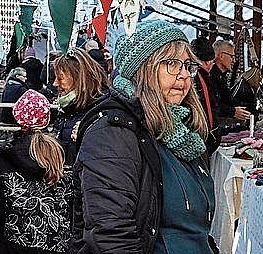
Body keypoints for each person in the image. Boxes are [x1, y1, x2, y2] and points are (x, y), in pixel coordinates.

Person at [70, 20, 216, 254]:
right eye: (170, 63)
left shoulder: (186, 136)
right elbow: (111, 236)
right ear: (142, 70)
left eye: (188, 65)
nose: (184, 75)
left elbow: (195, 229)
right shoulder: (112, 134)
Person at [0, 89, 73, 254]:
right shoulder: (62, 152)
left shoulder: (6, 156)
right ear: (47, 119)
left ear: (18, 119)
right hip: (58, 243)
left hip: (16, 243)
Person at [52, 48, 109, 165]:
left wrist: (88, 136)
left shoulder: (101, 112)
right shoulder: (67, 108)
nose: (55, 83)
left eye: (60, 78)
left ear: (79, 78)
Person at [191, 37, 221, 155]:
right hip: (201, 140)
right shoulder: (200, 79)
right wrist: (212, 137)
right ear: (208, 61)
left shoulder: (193, 75)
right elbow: (208, 111)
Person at [210, 40, 251, 122]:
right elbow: (212, 107)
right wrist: (233, 112)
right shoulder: (210, 78)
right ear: (221, 56)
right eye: (232, 56)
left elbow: (229, 101)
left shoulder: (222, 77)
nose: (234, 60)